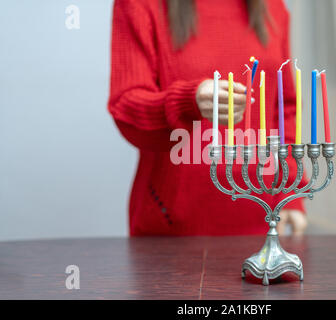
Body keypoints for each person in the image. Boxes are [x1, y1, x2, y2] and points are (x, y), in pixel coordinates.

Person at [108, 0, 307, 236]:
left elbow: (283, 109)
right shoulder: (140, 5)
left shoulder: (272, 7)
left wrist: (290, 190)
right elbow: (126, 107)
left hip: (262, 225)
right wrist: (188, 101)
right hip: (172, 230)